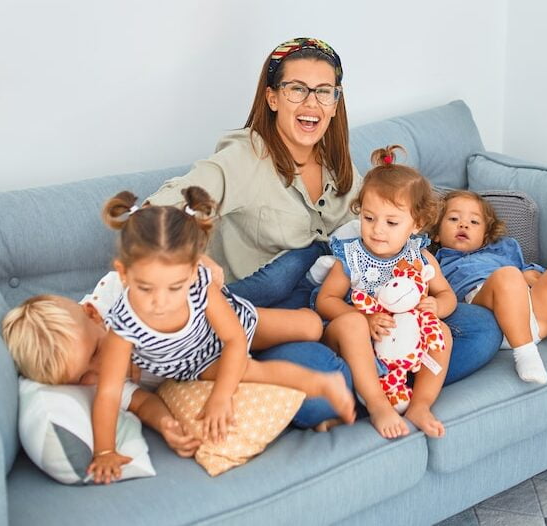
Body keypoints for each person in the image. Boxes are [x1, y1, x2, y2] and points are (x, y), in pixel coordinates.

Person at [144, 37, 502, 428]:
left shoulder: (337, 160)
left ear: (335, 102)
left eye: (323, 92)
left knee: (481, 328)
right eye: (297, 89)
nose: (311, 104)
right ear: (273, 97)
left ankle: (378, 382)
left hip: (350, 303)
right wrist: (193, 256)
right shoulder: (242, 158)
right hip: (278, 315)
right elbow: (156, 212)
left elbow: (390, 220)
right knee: (319, 392)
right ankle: (381, 383)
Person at [88, 187, 355, 484]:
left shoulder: (200, 286)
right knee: (252, 370)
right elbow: (109, 393)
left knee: (311, 327)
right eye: (146, 288)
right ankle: (322, 382)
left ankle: (317, 304)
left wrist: (221, 396)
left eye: (174, 287)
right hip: (197, 365)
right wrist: (104, 450)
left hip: (230, 330)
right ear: (123, 274)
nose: (160, 302)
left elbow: (234, 339)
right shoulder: (122, 327)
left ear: (192, 273)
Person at [315, 145, 455, 439]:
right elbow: (324, 301)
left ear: (415, 224)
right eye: (368, 218)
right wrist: (363, 319)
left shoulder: (421, 258)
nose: (377, 230)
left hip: (400, 342)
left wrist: (436, 307)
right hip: (353, 337)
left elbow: (446, 295)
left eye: (391, 222)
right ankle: (378, 405)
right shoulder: (352, 256)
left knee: (442, 331)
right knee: (352, 323)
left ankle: (420, 404)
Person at [433, 190, 547, 385]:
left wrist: (532, 276)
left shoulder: (505, 249)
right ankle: (526, 354)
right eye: (453, 219)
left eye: (474, 222)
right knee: (508, 275)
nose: (463, 224)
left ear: (486, 236)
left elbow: (531, 273)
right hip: (488, 317)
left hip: (532, 315)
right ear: (436, 234)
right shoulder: (435, 262)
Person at [1, 292, 201, 460]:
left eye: (96, 351)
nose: (100, 369)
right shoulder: (97, 386)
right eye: (82, 377)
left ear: (93, 314)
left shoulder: (120, 298)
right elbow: (142, 403)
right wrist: (165, 424)